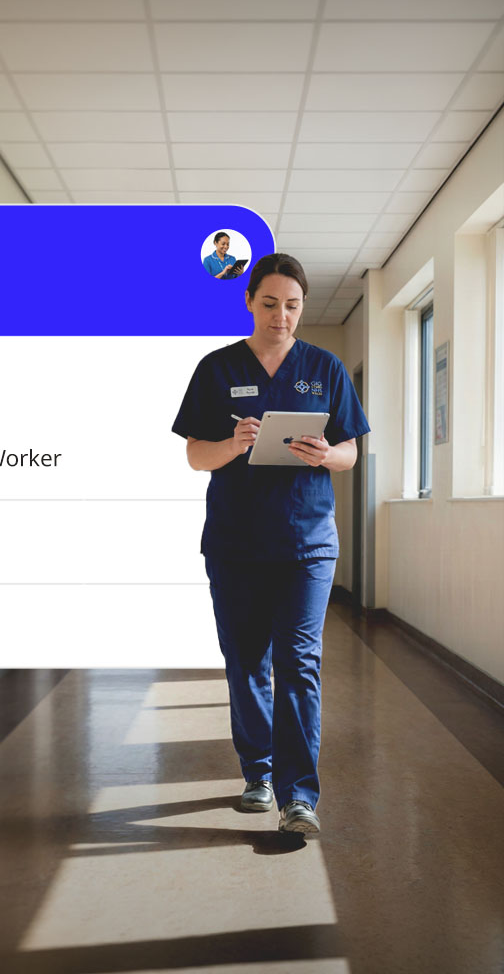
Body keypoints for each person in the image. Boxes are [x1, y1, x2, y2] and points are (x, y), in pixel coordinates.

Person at [171, 252, 370, 835]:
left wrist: (326, 455)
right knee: (247, 662)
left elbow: (351, 450)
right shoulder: (215, 368)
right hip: (235, 544)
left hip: (307, 543)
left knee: (299, 664)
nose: (281, 316)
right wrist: (232, 444)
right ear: (248, 302)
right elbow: (193, 455)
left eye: (292, 305)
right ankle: (257, 772)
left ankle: (299, 797)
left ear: (302, 307)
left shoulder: (324, 368)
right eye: (269, 304)